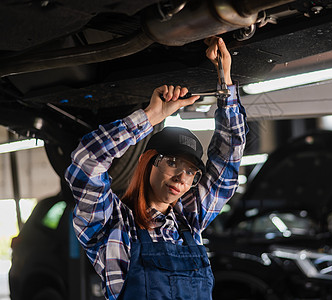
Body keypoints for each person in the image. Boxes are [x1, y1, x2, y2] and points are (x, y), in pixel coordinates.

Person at [65, 36, 247, 300]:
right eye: (172, 162)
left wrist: (225, 81)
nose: (182, 177)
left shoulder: (189, 223)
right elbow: (86, 162)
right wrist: (151, 116)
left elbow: (227, 162)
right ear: (147, 161)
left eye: (191, 172)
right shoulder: (111, 225)